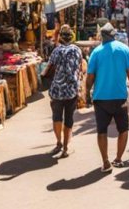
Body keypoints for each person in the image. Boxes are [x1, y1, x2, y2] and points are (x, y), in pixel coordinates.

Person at [86, 23, 129, 173]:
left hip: (100, 98)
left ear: (101, 36)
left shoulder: (96, 52)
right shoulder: (124, 49)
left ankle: (105, 162)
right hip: (120, 97)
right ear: (114, 35)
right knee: (123, 129)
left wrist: (86, 92)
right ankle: (118, 158)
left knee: (101, 130)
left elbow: (90, 77)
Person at [44, 25, 83, 158]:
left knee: (56, 117)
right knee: (69, 119)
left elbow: (49, 67)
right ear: (71, 36)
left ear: (60, 37)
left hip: (57, 90)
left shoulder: (56, 51)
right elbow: (79, 68)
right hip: (71, 89)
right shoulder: (77, 50)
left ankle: (59, 143)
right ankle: (66, 148)